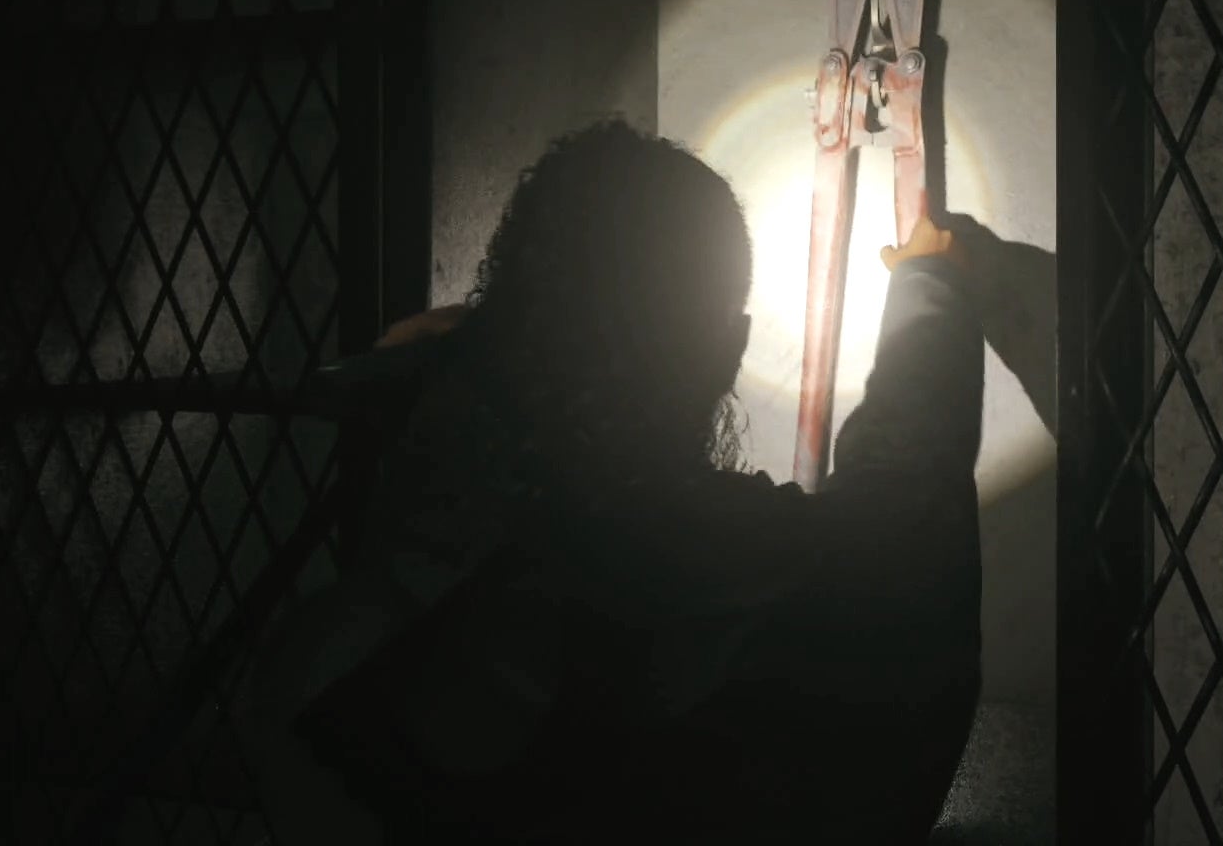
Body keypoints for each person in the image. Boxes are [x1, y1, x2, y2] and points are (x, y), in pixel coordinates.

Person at [231, 121, 984, 843]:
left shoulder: (351, 636)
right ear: (731, 347)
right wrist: (930, 291)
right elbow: (905, 510)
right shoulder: (734, 568)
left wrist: (464, 363)